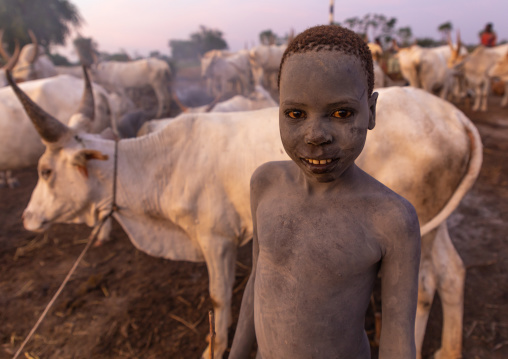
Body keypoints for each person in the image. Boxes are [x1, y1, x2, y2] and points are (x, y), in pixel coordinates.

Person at [229, 25, 421, 359]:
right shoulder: (266, 183)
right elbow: (256, 283)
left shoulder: (391, 219)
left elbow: (397, 338)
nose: (315, 135)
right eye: (295, 114)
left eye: (341, 113)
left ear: (371, 112)